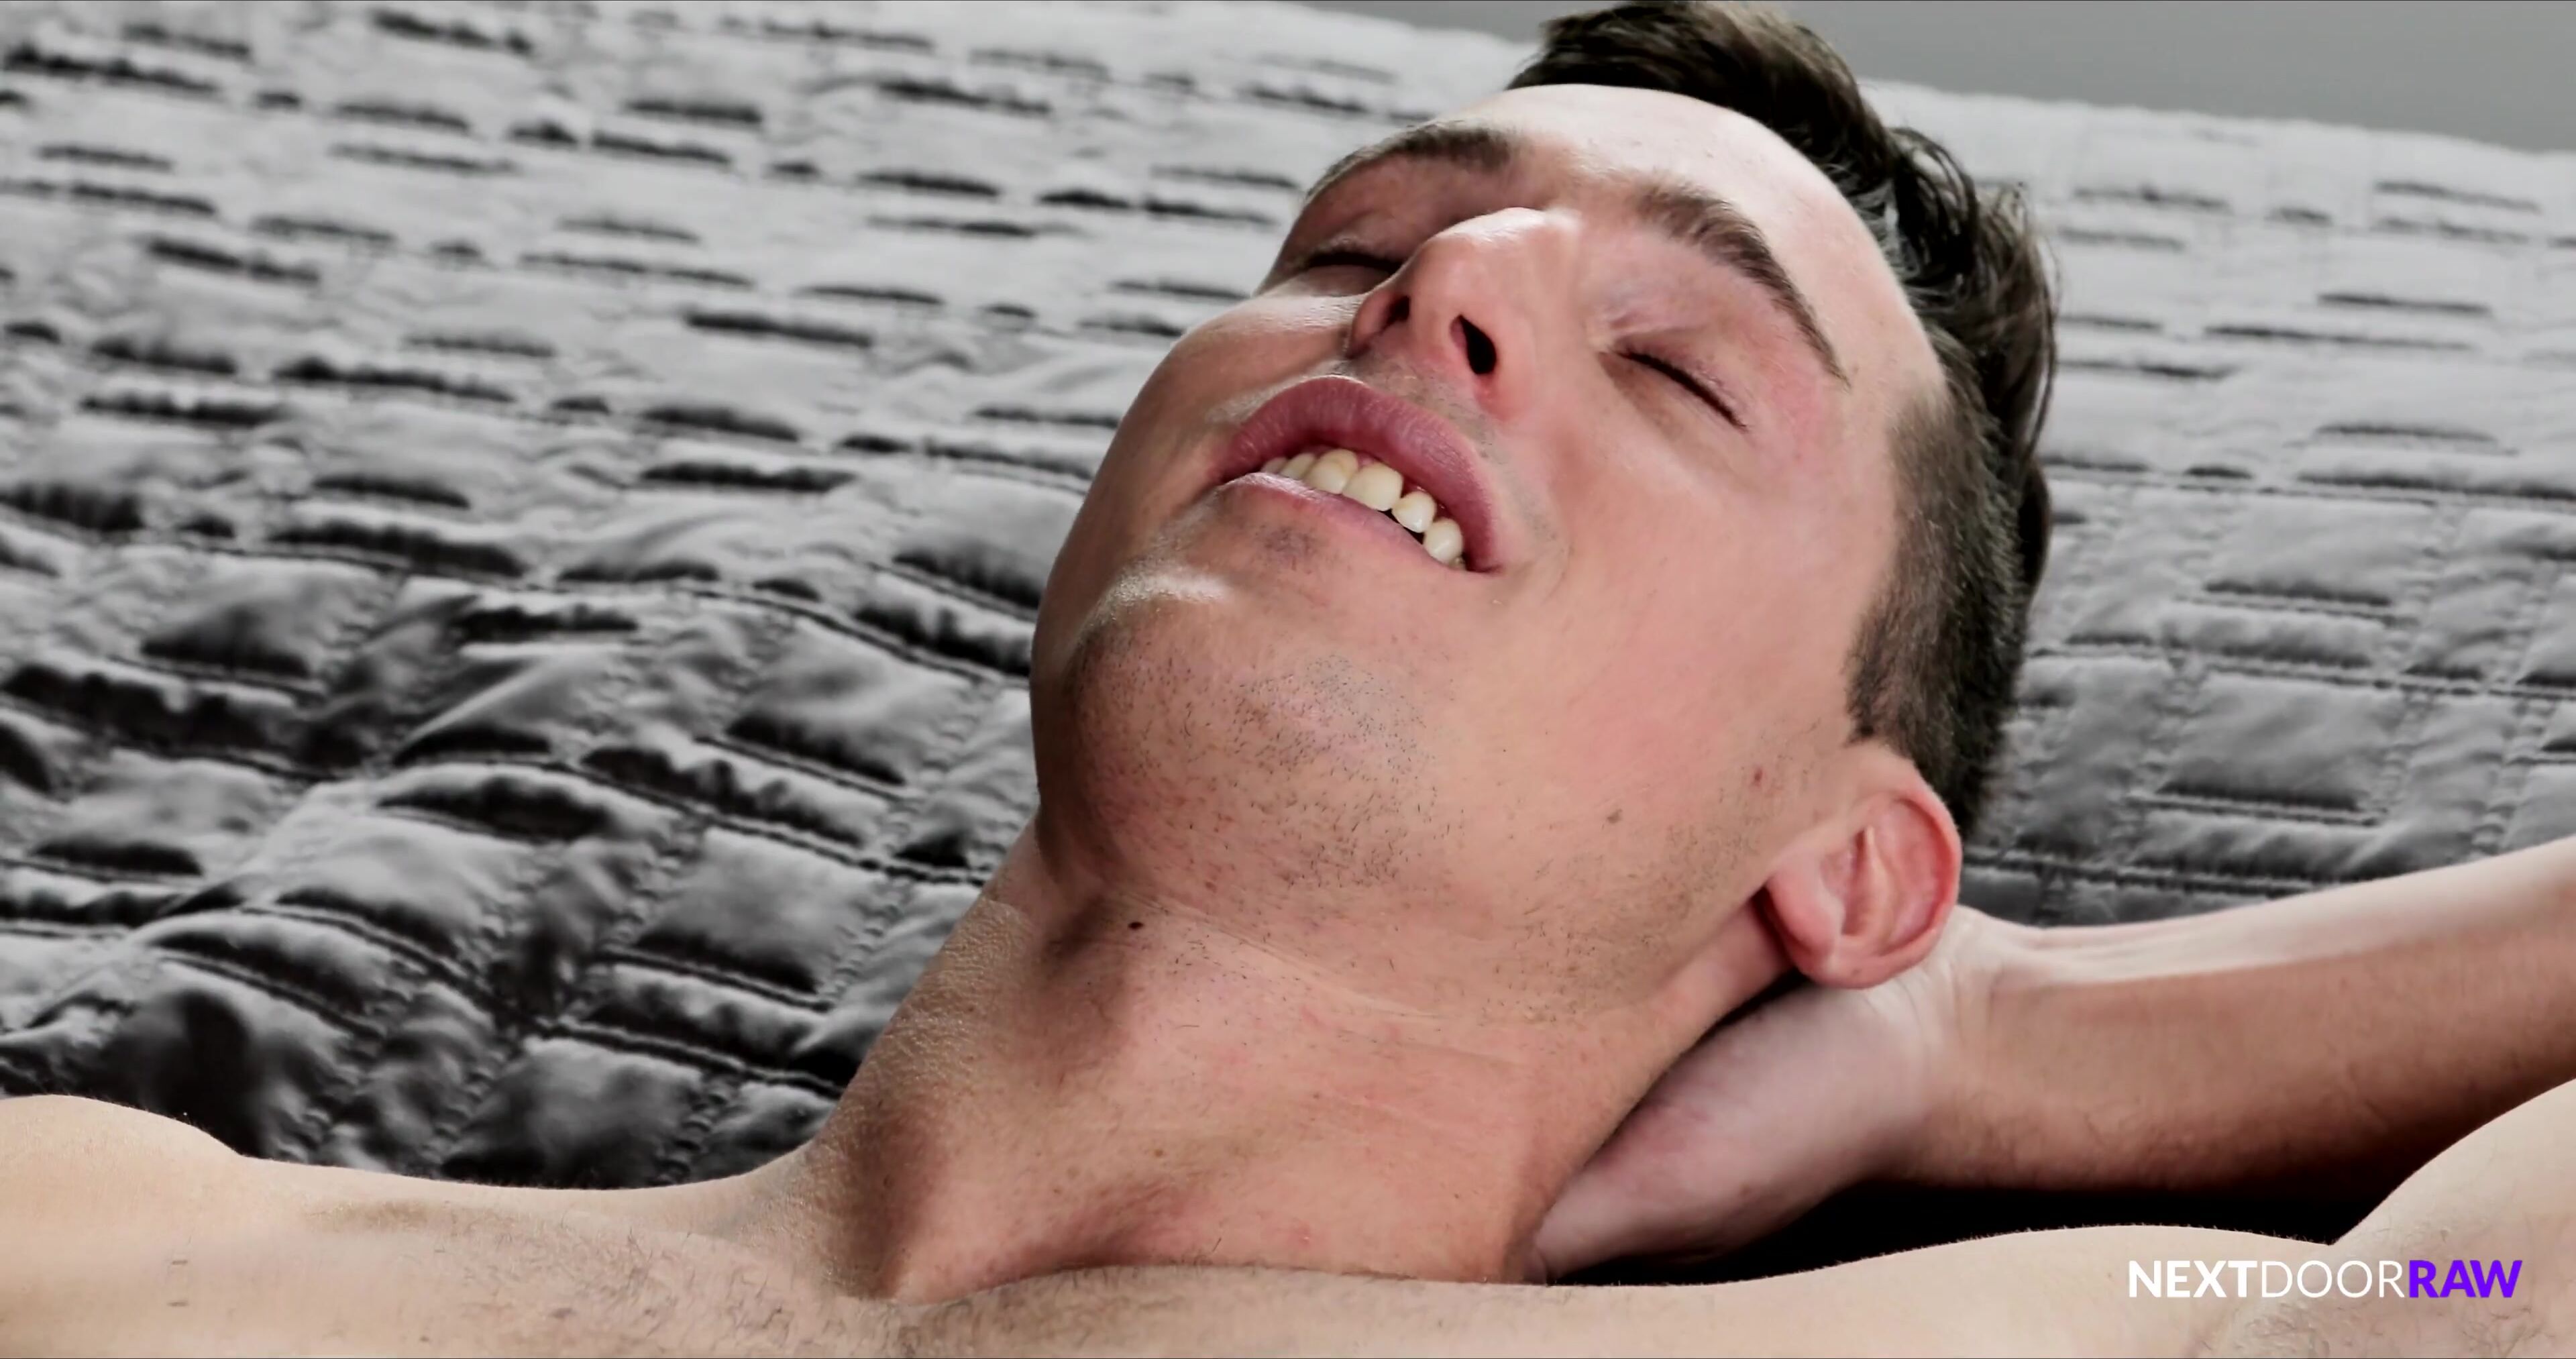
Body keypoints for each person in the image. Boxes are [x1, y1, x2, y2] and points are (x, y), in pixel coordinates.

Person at [5, 3, 2573, 1353]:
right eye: (1355, 243)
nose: (1439, 285)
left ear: (1852, 857)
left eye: (1679, 369)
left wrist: (1998, 1035)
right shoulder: (85, 1214)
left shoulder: (2159, 1342)